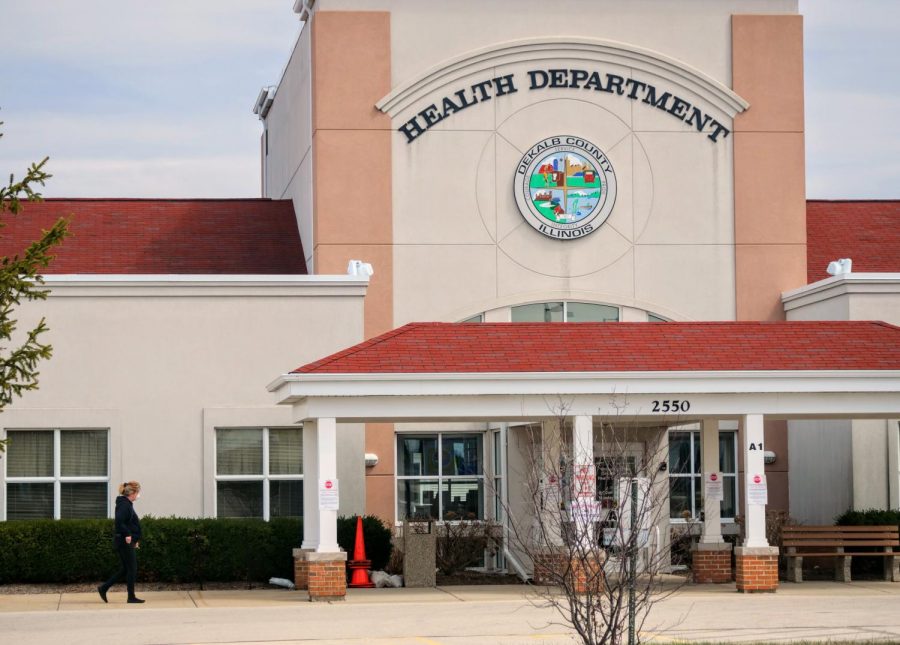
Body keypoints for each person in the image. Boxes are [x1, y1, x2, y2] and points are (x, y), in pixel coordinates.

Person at [98, 481, 145, 604]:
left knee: (126, 569)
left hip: (127, 541)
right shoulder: (124, 505)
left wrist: (135, 539)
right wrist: (128, 535)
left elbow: (128, 523)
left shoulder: (126, 504)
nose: (138, 495)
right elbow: (119, 522)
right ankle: (131, 597)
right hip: (124, 541)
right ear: (132, 493)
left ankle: (104, 588)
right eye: (138, 492)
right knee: (132, 568)